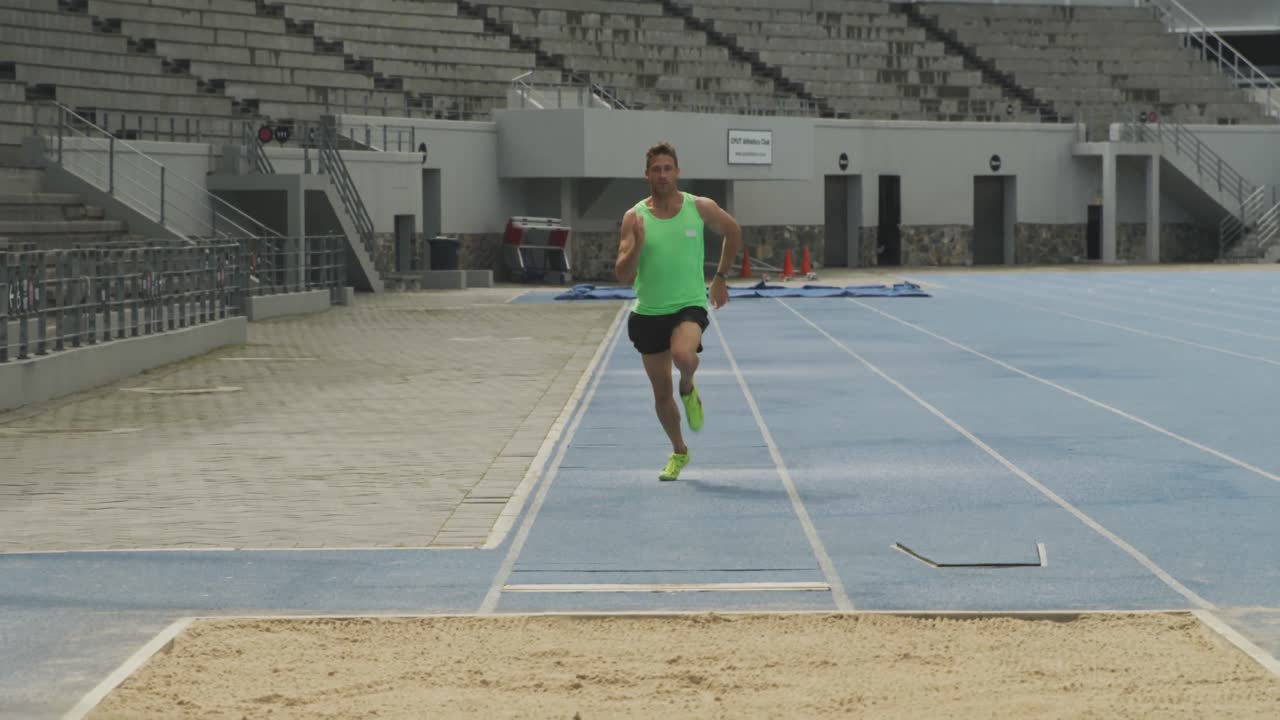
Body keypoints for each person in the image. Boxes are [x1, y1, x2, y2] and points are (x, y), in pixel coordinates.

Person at [614, 140, 742, 482]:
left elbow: (733, 231)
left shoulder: (699, 207)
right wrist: (639, 244)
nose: (662, 174)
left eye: (667, 168)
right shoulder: (634, 217)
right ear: (647, 175)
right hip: (648, 313)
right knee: (660, 395)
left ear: (677, 172)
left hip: (688, 305)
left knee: (684, 356)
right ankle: (679, 451)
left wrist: (720, 278)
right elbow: (623, 274)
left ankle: (688, 385)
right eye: (656, 169)